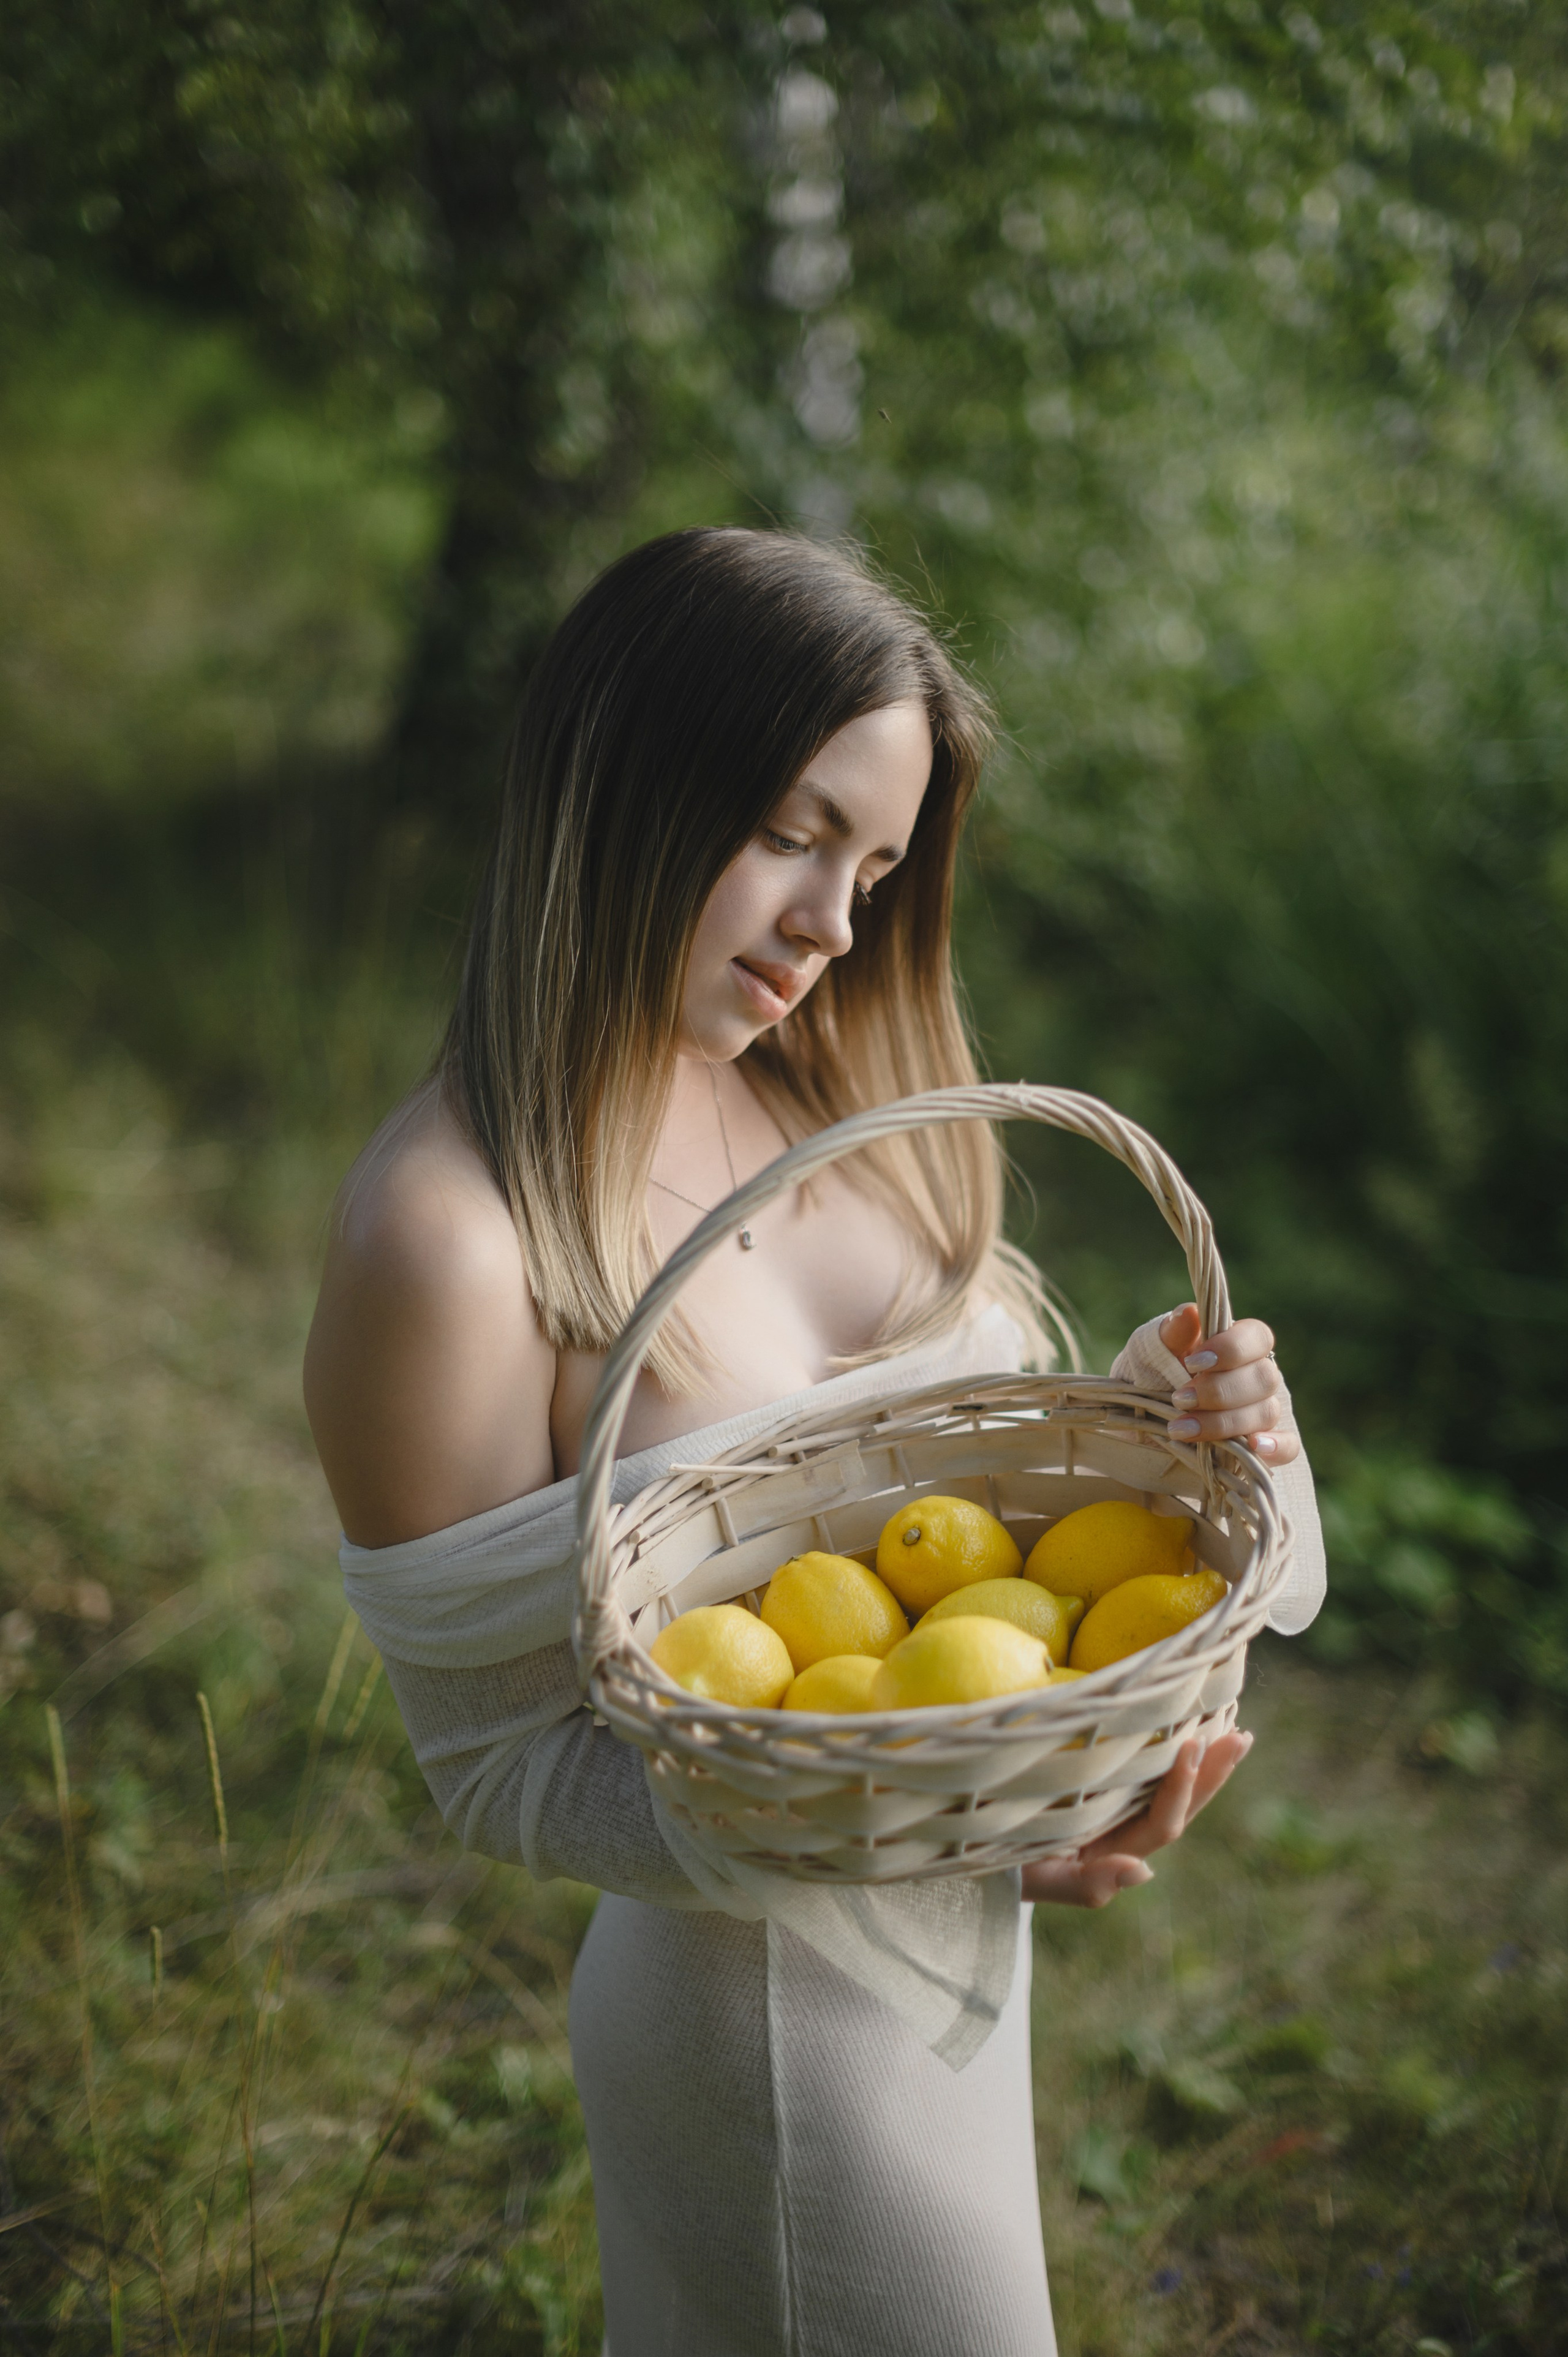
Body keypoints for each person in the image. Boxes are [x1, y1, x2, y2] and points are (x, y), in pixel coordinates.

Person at [304, 528, 1324, 2356]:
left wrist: (1199, 1432)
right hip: (760, 2026)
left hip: (940, 1971)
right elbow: (493, 1768)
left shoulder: (830, 1089)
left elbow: (970, 1547)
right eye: (791, 833)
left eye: (875, 863)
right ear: (618, 786)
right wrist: (889, 1826)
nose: (833, 926)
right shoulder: (454, 1242)